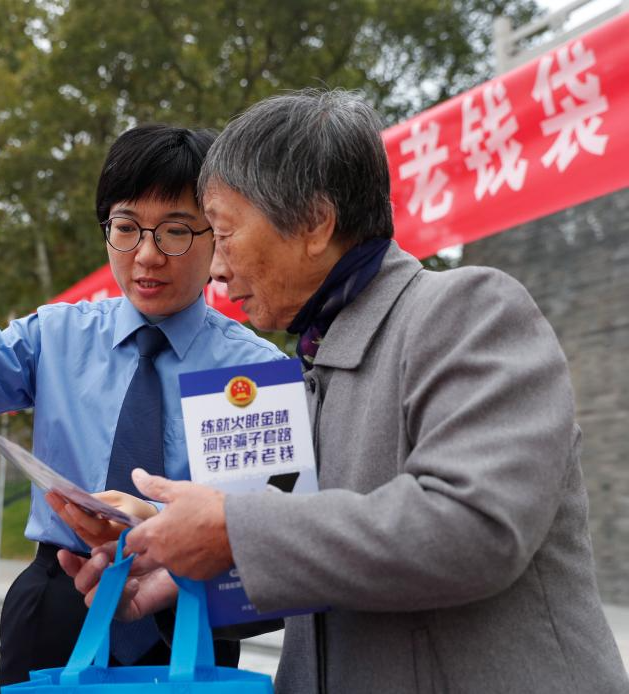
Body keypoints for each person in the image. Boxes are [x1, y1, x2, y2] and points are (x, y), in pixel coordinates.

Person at [60, 90, 629, 693]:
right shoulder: (308, 371)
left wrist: (232, 530)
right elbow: (311, 561)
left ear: (313, 223)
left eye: (224, 235)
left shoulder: (468, 311)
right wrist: (172, 556)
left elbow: (475, 528)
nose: (218, 272)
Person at [0, 123, 285, 688]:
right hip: (58, 602)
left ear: (218, 236)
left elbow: (268, 527)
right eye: (126, 228)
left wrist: (162, 531)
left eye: (176, 232)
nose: (147, 256)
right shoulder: (55, 336)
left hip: (187, 615)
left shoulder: (252, 370)